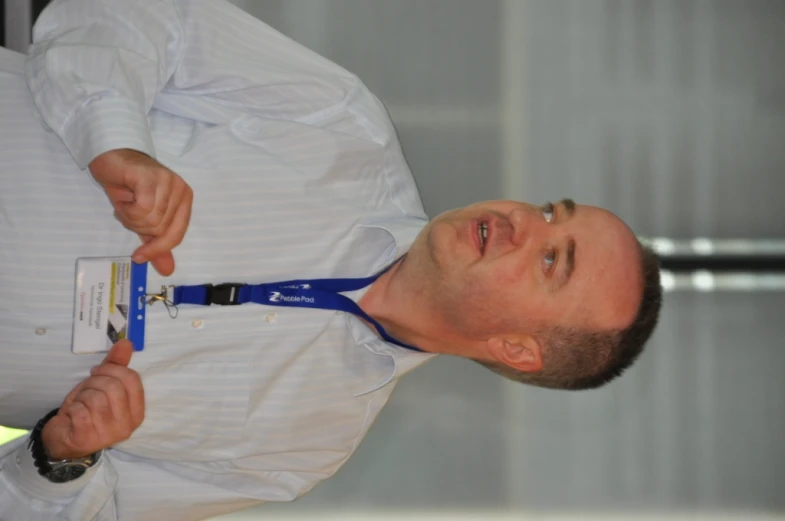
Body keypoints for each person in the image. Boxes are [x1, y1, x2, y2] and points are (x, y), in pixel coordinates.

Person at [0, 0, 662, 519]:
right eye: (550, 211)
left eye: (551, 261)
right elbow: (131, 15)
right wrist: (116, 139)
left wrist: (64, 457)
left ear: (517, 348)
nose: (523, 221)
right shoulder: (344, 129)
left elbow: (79, 509)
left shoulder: (302, 447)